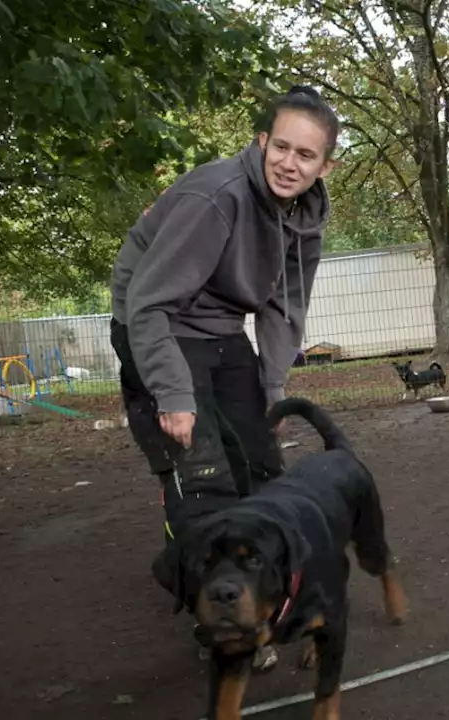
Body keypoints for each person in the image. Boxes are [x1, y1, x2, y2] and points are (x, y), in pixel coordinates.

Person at [109, 85, 336, 664]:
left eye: (305, 155)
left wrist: (272, 389)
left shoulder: (303, 216)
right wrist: (173, 393)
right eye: (280, 147)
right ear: (262, 143)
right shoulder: (218, 195)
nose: (289, 162)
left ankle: (265, 602)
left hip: (218, 329)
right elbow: (148, 304)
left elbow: (285, 308)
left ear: (324, 165)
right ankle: (219, 620)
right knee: (201, 472)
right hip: (156, 323)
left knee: (261, 465)